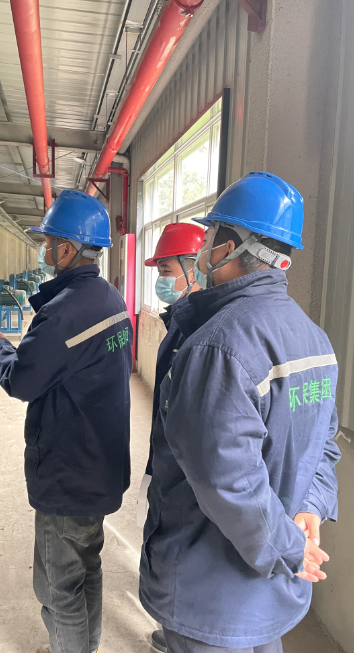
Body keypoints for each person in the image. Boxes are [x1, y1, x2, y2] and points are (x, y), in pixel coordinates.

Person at [139, 171, 340, 653]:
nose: (204, 246)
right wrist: (310, 508)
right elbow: (324, 442)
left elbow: (227, 480)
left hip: (210, 595)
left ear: (227, 247)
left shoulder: (217, 346)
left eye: (210, 235)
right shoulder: (315, 339)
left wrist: (290, 547)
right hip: (271, 588)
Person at [0, 190, 133, 653]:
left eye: (48, 243)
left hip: (69, 473)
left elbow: (24, 380)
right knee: (88, 566)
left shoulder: (64, 312)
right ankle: (85, 645)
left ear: (67, 249)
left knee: (57, 586)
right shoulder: (111, 299)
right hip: (100, 463)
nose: (45, 250)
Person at [138, 223, 205, 653]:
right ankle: (171, 625)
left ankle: (181, 631)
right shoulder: (179, 322)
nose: (160, 279)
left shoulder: (204, 331)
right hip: (166, 459)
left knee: (181, 556)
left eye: (166, 269)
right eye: (160, 270)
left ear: (194, 268)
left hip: (185, 472)